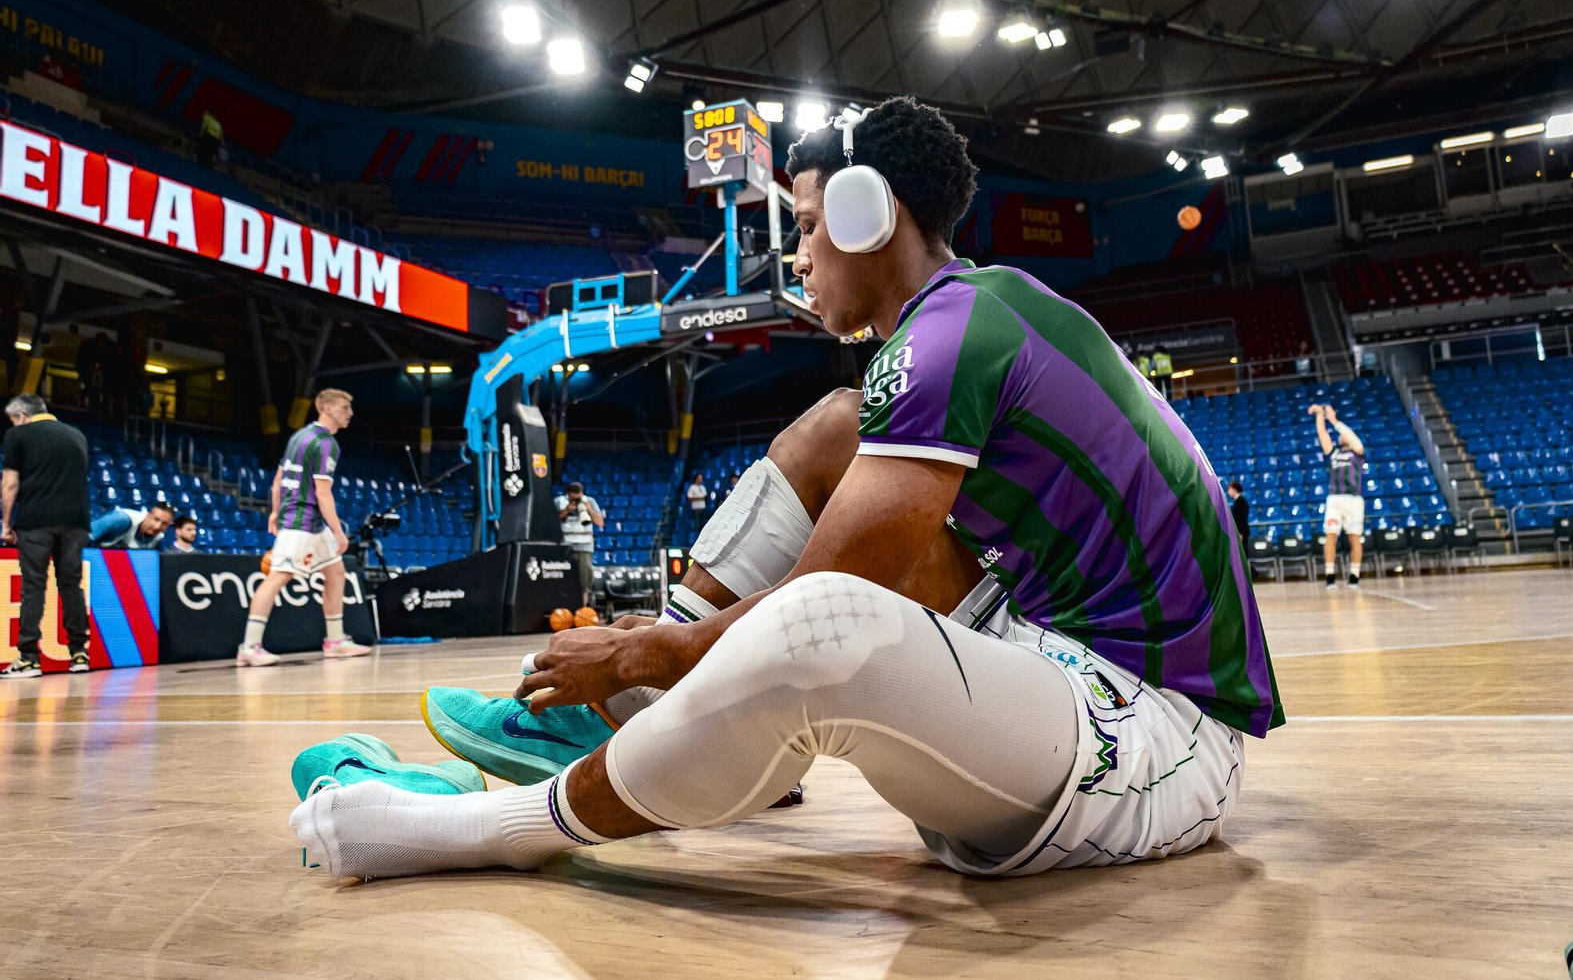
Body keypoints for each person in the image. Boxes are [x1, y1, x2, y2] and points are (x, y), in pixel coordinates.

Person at [295, 95, 1280, 883]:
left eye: (807, 226)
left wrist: (650, 648)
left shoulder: (947, 337)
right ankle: (621, 722)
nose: (797, 255)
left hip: (1156, 735)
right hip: (1055, 652)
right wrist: (664, 659)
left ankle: (488, 827)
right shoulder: (973, 314)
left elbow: (833, 590)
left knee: (822, 631)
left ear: (866, 214)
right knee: (837, 429)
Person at [236, 388, 368, 667]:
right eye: (344, 408)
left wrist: (275, 511)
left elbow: (278, 479)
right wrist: (338, 531)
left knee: (336, 572)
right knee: (276, 578)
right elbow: (323, 493)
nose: (350, 413)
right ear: (327, 409)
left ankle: (335, 641)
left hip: (308, 521)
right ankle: (249, 646)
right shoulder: (326, 443)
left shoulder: (299, 436)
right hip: (301, 521)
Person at [0, 395, 91, 677]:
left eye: (13, 420)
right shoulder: (77, 435)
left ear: (21, 416)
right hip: (76, 522)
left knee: (34, 587)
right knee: (71, 585)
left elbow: (10, 483)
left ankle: (28, 658)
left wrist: (6, 524)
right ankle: (79, 654)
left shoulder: (18, 435)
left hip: (37, 520)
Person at [1313, 403, 1366, 589]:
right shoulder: (1334, 452)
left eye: (1344, 434)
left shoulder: (1358, 453)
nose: (1342, 436)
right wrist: (1320, 414)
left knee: (1354, 537)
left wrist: (1335, 421)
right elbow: (1322, 434)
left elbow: (1352, 437)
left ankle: (1354, 575)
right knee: (1331, 536)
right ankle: (1330, 575)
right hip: (1335, 499)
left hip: (1354, 499)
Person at [555, 482, 604, 608]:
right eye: (573, 498)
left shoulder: (589, 501)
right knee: (565, 579)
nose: (576, 501)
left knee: (584, 581)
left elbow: (600, 522)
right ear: (568, 494)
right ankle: (565, 609)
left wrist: (589, 509)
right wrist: (566, 511)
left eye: (578, 498)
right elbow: (552, 521)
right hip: (565, 546)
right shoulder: (559, 501)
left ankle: (583, 608)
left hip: (585, 546)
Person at [90, 501, 175, 549]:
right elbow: (87, 535)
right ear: (148, 515)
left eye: (164, 524)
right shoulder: (122, 519)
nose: (157, 526)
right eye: (156, 519)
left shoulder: (157, 538)